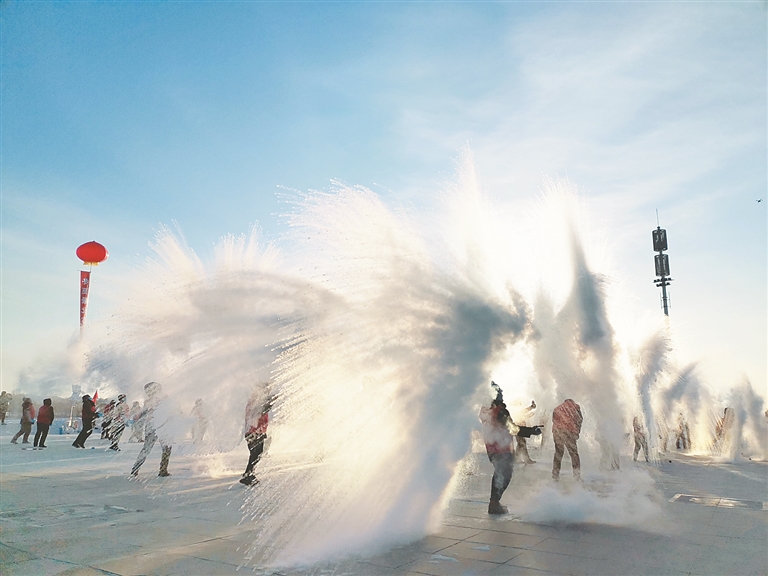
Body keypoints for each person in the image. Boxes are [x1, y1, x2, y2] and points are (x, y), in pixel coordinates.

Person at [479, 382, 541, 514]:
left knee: (500, 473)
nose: (502, 396)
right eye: (499, 393)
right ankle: (494, 503)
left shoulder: (485, 411)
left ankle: (494, 502)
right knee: (504, 475)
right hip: (502, 449)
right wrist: (532, 431)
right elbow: (512, 428)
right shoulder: (500, 411)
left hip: (491, 447)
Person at [131, 382, 172, 478]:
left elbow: (143, 413)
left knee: (147, 448)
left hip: (152, 426)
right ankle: (163, 470)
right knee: (166, 448)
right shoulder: (163, 398)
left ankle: (135, 469)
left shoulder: (149, 401)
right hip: (160, 426)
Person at [240, 390, 274, 486]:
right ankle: (248, 476)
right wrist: (270, 401)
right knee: (256, 454)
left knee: (256, 454)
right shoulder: (256, 400)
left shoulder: (256, 400)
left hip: (257, 432)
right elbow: (261, 411)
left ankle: (249, 474)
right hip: (254, 432)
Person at [552, 399, 583, 481]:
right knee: (574, 454)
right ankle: (577, 476)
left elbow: (554, 421)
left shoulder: (557, 408)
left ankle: (555, 475)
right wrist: (577, 432)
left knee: (558, 453)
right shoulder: (575, 407)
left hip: (557, 432)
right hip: (569, 432)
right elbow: (579, 420)